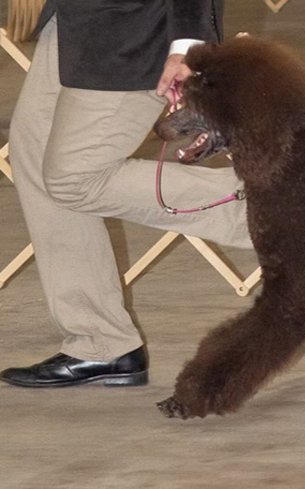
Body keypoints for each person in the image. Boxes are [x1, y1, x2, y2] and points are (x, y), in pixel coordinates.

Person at [0, 0, 252, 388]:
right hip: (78, 17)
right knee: (34, 150)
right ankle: (101, 341)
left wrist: (188, 43)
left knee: (75, 178)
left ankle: (276, 210)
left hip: (138, 25)